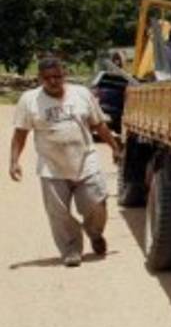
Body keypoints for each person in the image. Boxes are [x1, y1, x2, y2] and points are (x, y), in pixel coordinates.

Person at [9, 57, 122, 266]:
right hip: (52, 166)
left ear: (65, 75)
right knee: (58, 214)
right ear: (40, 79)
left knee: (96, 203)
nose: (53, 81)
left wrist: (115, 148)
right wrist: (14, 161)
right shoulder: (29, 100)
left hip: (85, 161)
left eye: (57, 76)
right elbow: (20, 133)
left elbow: (99, 125)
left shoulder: (82, 94)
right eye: (48, 78)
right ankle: (71, 249)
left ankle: (95, 234)